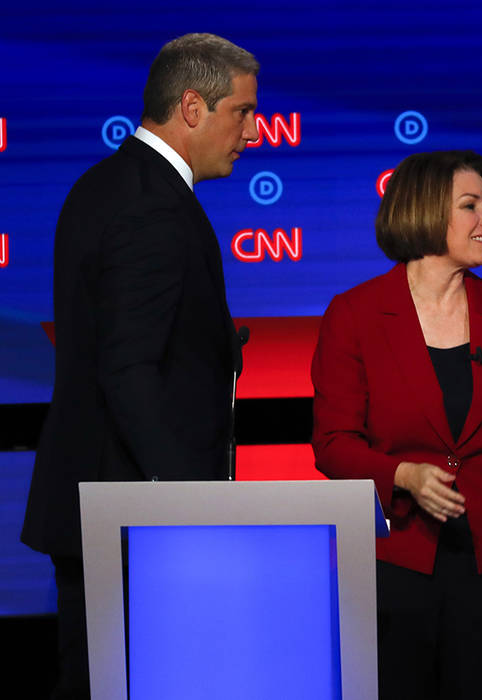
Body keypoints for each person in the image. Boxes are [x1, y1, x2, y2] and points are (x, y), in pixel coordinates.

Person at [20, 33, 259, 699]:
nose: (253, 130)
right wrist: (187, 505)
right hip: (136, 523)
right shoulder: (151, 207)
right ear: (191, 106)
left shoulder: (110, 184)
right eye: (240, 112)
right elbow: (128, 371)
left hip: (111, 509)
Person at [311, 150, 482, 700]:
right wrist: (403, 476)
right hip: (398, 560)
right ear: (424, 212)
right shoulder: (356, 315)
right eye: (472, 206)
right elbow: (333, 444)